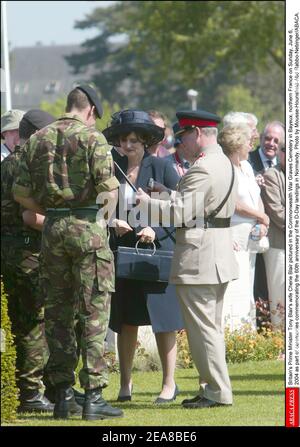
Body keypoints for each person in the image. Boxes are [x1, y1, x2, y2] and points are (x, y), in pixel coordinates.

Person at [12, 85, 123, 421]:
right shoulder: (93, 139)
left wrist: (53, 209)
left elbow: (21, 194)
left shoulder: (36, 140)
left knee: (58, 313)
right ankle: (93, 396)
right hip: (88, 227)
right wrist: (98, 221)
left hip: (52, 231)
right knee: (94, 310)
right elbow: (109, 189)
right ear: (89, 109)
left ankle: (62, 396)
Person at [137, 109, 239, 408]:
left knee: (202, 331)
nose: (181, 144)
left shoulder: (203, 168)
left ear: (196, 132)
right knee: (210, 328)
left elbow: (181, 213)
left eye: (183, 136)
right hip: (214, 254)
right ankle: (211, 388)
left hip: (200, 257)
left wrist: (147, 203)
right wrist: (167, 194)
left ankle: (217, 391)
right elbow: (198, 207)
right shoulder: (223, 163)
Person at [103, 109, 184, 404]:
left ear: (147, 141)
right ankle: (125, 385)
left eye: (135, 140)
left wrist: (155, 227)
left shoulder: (162, 167)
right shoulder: (112, 168)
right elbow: (101, 209)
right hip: (124, 254)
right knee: (126, 321)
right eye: (124, 139)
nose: (129, 145)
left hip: (157, 253)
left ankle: (169, 384)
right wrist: (113, 223)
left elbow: (181, 210)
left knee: (164, 321)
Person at [1, 109, 55, 412]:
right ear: (35, 134)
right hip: (28, 253)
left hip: (5, 252)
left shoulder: (5, 164)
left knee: (10, 325)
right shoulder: (32, 166)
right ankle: (32, 393)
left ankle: (11, 385)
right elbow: (32, 214)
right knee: (34, 323)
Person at [218, 124, 269, 330]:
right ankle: (234, 331)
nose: (252, 145)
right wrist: (262, 216)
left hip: (253, 235)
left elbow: (255, 196)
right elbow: (234, 204)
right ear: (237, 144)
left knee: (249, 284)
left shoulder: (247, 167)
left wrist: (261, 221)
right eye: (248, 141)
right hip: (235, 233)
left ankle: (248, 332)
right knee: (235, 287)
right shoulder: (227, 169)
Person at [248, 121, 285, 325]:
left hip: (275, 239)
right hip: (254, 235)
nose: (271, 143)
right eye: (267, 138)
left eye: (276, 140)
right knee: (259, 287)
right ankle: (264, 330)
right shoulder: (248, 160)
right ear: (261, 138)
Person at [261, 145, 285, 330]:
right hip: (279, 247)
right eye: (285, 150)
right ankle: (281, 340)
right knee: (280, 295)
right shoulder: (271, 175)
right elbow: (278, 213)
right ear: (280, 153)